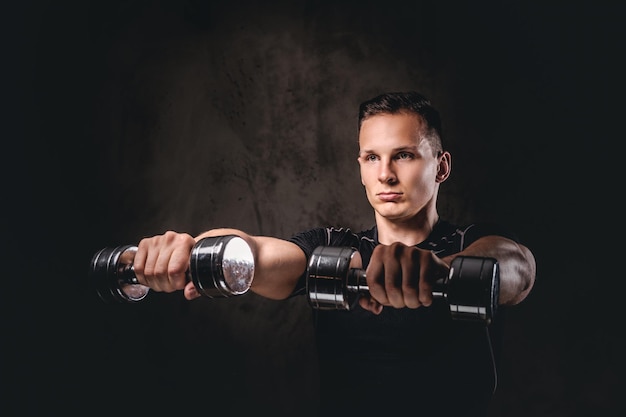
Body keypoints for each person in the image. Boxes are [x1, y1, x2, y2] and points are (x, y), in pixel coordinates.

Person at [131, 91, 536, 416]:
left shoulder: (469, 242)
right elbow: (255, 253)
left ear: (441, 167)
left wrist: (440, 271)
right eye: (371, 157)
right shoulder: (334, 248)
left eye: (404, 155)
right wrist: (198, 250)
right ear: (359, 166)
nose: (385, 174)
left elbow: (516, 267)